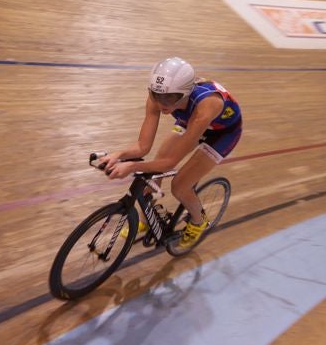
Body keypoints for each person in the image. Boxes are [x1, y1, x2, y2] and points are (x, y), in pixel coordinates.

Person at [98, 57, 242, 250]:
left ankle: (198, 222)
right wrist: (118, 154)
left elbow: (170, 162)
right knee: (152, 173)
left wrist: (132, 165)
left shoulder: (207, 104)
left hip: (222, 133)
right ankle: (146, 219)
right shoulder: (159, 96)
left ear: (185, 93)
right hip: (189, 122)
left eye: (169, 98)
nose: (162, 104)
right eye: (157, 96)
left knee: (180, 186)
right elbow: (142, 146)